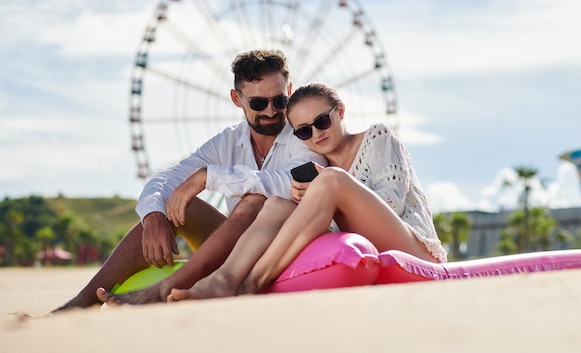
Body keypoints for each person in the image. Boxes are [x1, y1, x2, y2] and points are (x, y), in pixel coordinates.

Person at [54, 49, 326, 310]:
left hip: (287, 245)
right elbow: (169, 178)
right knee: (178, 206)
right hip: (237, 247)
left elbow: (293, 181)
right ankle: (82, 301)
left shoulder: (304, 131)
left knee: (255, 201)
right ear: (236, 98)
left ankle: (163, 289)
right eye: (258, 103)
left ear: (289, 91)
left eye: (279, 100)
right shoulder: (227, 141)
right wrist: (153, 214)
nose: (271, 111)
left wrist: (210, 177)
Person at [165, 82, 447, 302]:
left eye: (322, 121)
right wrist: (317, 200)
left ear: (340, 112)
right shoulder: (320, 168)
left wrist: (333, 193)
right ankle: (224, 280)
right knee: (277, 204)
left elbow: (392, 202)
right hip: (369, 242)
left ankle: (250, 285)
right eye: (303, 132)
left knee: (332, 181)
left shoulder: (377, 138)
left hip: (414, 250)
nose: (316, 134)